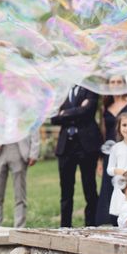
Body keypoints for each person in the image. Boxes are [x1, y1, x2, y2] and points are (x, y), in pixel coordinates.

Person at [97, 75, 127, 226]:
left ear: (125, 84)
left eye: (119, 81)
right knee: (109, 188)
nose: (116, 84)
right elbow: (104, 132)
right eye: (112, 81)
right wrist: (100, 160)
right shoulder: (105, 106)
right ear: (108, 85)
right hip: (111, 153)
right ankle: (112, 221)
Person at [51, 84, 103, 227]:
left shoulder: (90, 88)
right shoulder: (61, 91)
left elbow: (88, 111)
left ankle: (91, 225)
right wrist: (76, 111)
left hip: (86, 146)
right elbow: (53, 118)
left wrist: (64, 113)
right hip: (65, 147)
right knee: (66, 190)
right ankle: (65, 226)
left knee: (90, 188)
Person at [0, 130, 40, 228]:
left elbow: (33, 125)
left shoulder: (24, 113)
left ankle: (19, 229)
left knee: (20, 195)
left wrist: (34, 152)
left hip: (18, 150)